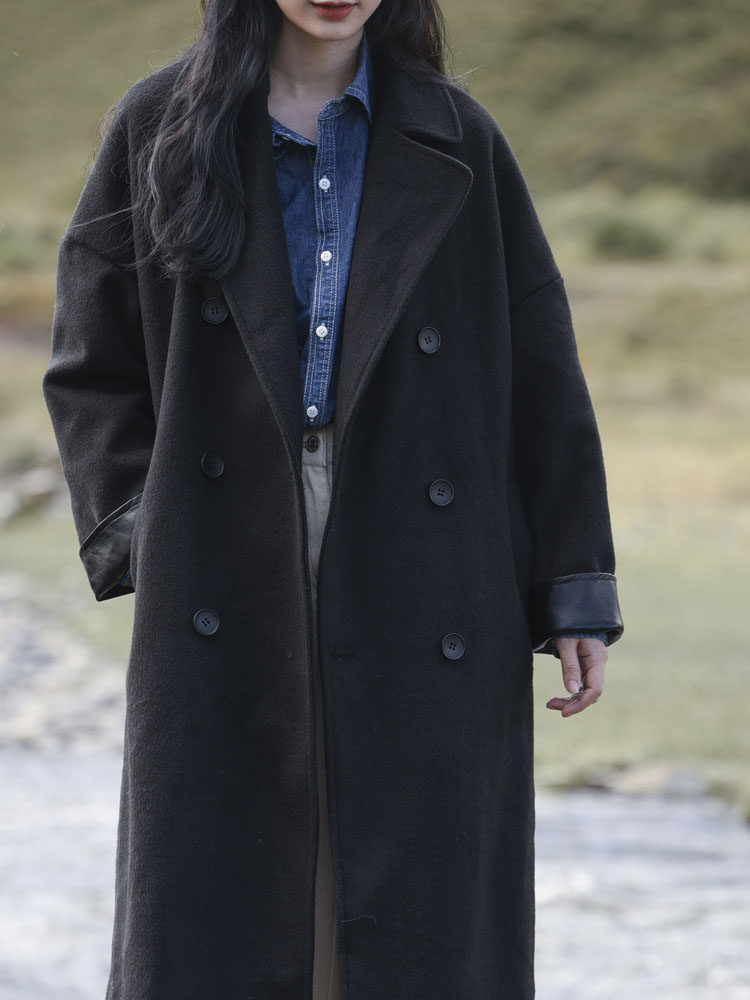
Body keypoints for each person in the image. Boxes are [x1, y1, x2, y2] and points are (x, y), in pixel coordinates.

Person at [41, 0, 624, 997]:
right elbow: (91, 359)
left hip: (425, 546)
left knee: (411, 890)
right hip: (226, 536)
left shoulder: (459, 135)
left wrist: (575, 587)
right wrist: (151, 530)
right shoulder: (161, 125)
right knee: (234, 885)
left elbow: (542, 374)